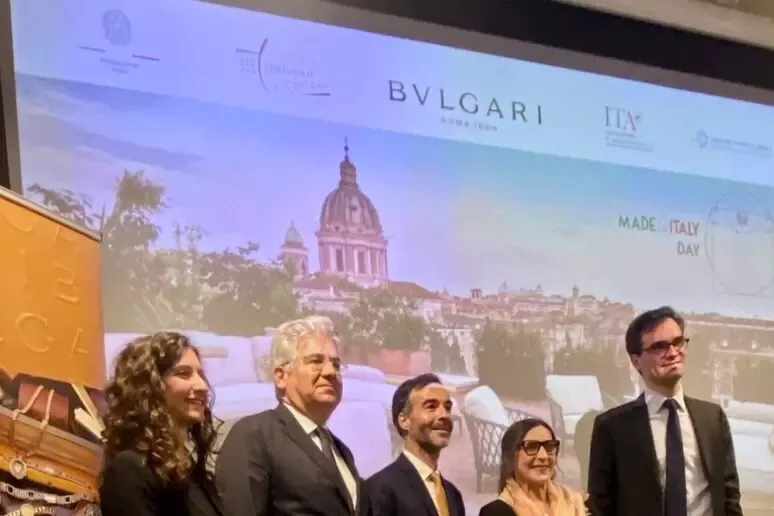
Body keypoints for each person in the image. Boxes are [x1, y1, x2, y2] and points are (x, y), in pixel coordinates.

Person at [587, 306, 743, 516]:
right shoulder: (612, 427)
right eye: (659, 347)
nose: (672, 352)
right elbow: (600, 508)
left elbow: (730, 498)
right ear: (636, 361)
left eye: (678, 342)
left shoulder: (713, 418)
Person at [215, 315, 368, 516]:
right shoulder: (254, 435)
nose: (331, 372)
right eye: (316, 361)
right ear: (281, 376)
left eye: (336, 364)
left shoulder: (342, 451)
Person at [99, 331, 223, 516]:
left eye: (201, 374)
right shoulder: (130, 469)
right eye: (183, 374)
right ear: (149, 386)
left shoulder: (188, 469)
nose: (203, 386)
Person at [366, 373, 465, 516]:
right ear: (404, 421)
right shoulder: (379, 489)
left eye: (447, 407)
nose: (444, 415)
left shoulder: (453, 495)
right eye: (431, 406)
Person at [478, 418, 587, 516]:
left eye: (549, 446)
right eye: (531, 447)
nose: (543, 456)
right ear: (510, 456)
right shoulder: (494, 512)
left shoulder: (576, 503)